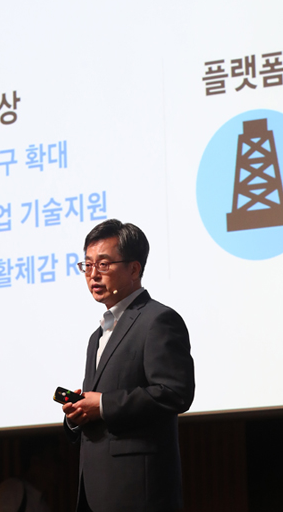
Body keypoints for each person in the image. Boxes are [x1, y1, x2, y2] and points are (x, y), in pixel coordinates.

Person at [61, 219, 195, 512]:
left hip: (138, 492)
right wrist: (77, 414)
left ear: (134, 269)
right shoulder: (96, 337)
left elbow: (175, 393)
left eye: (103, 264)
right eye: (87, 265)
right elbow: (95, 407)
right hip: (95, 491)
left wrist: (103, 405)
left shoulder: (158, 320)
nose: (93, 274)